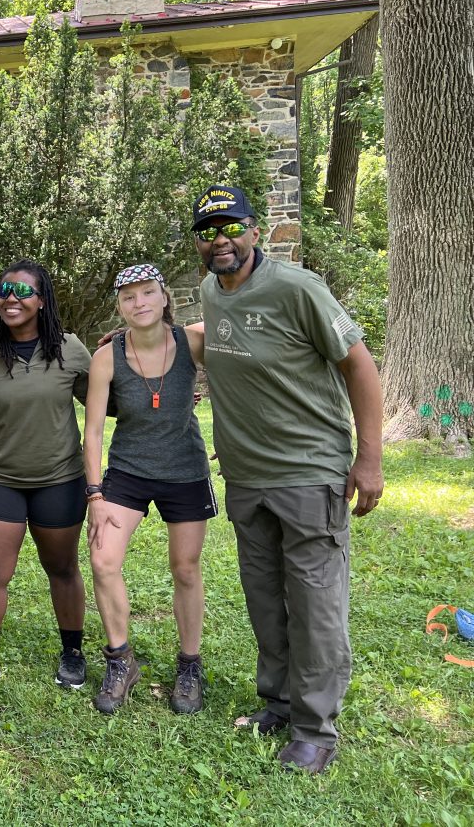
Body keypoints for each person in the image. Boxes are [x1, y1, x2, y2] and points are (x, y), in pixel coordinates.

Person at [190, 184, 383, 775]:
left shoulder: (297, 288)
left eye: (230, 226)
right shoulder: (210, 290)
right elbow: (215, 339)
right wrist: (137, 339)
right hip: (246, 477)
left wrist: (369, 459)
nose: (219, 239)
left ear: (255, 229)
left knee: (315, 600)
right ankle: (278, 700)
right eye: (207, 230)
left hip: (308, 471)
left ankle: (316, 728)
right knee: (264, 596)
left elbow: (360, 365)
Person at [82, 264, 216, 716]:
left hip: (185, 468)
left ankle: (190, 665)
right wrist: (95, 495)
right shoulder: (107, 357)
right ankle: (121, 660)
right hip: (128, 469)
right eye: (128, 297)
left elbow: (242, 363)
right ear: (119, 307)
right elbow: (94, 431)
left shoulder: (193, 343)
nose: (139, 302)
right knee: (102, 560)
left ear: (164, 299)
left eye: (147, 293)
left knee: (185, 568)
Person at [0, 260, 92, 694]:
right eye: (4, 290)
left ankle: (72, 652)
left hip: (59, 478)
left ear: (41, 300)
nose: (10, 298)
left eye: (21, 290)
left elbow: (104, 402)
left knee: (63, 568)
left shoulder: (70, 349)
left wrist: (148, 383)